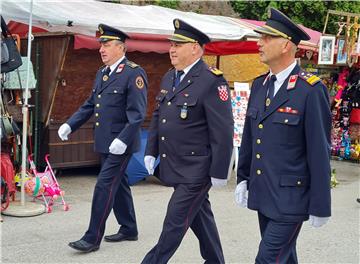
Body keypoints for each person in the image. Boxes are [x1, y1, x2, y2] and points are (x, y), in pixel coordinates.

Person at [235, 8, 331, 263]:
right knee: (284, 258)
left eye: (267, 38)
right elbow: (250, 137)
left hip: (291, 200)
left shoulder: (310, 90)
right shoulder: (260, 85)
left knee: (266, 259)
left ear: (286, 44)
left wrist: (321, 204)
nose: (259, 43)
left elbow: (319, 150)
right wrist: (243, 177)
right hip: (264, 193)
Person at [142, 19, 233, 264]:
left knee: (174, 223)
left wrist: (220, 171)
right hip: (174, 165)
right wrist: (151, 150)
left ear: (195, 48)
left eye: (179, 44)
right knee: (201, 217)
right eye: (172, 43)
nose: (172, 48)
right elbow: (158, 116)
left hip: (196, 170)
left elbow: (223, 131)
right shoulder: (170, 77)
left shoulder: (211, 81)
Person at [58, 24, 147, 252]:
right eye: (101, 45)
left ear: (121, 47)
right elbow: (90, 104)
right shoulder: (102, 73)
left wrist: (123, 139)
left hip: (121, 144)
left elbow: (137, 114)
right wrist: (70, 124)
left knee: (104, 186)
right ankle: (129, 228)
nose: (102, 49)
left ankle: (91, 238)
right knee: (120, 185)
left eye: (106, 45)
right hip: (105, 142)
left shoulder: (133, 72)